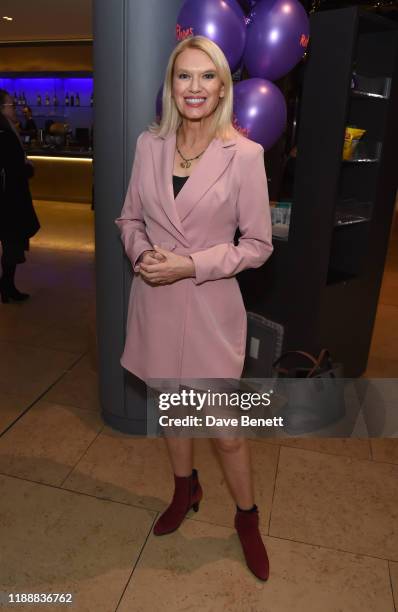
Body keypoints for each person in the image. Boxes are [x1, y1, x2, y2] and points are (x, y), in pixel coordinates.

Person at [115, 36, 273, 581]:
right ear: (171, 85)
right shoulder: (148, 146)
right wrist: (142, 255)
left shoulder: (245, 155)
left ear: (223, 86)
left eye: (207, 77)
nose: (195, 88)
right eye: (184, 76)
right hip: (155, 304)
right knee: (173, 412)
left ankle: (247, 518)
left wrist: (190, 264)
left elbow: (257, 244)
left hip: (209, 308)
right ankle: (185, 490)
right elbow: (129, 221)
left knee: (225, 429)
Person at [0, 90, 40, 303]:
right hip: (10, 200)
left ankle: (7, 286)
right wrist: (29, 168)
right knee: (11, 243)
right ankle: (6, 287)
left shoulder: (7, 130)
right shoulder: (5, 134)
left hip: (8, 198)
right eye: (10, 105)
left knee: (10, 243)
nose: (14, 108)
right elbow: (14, 168)